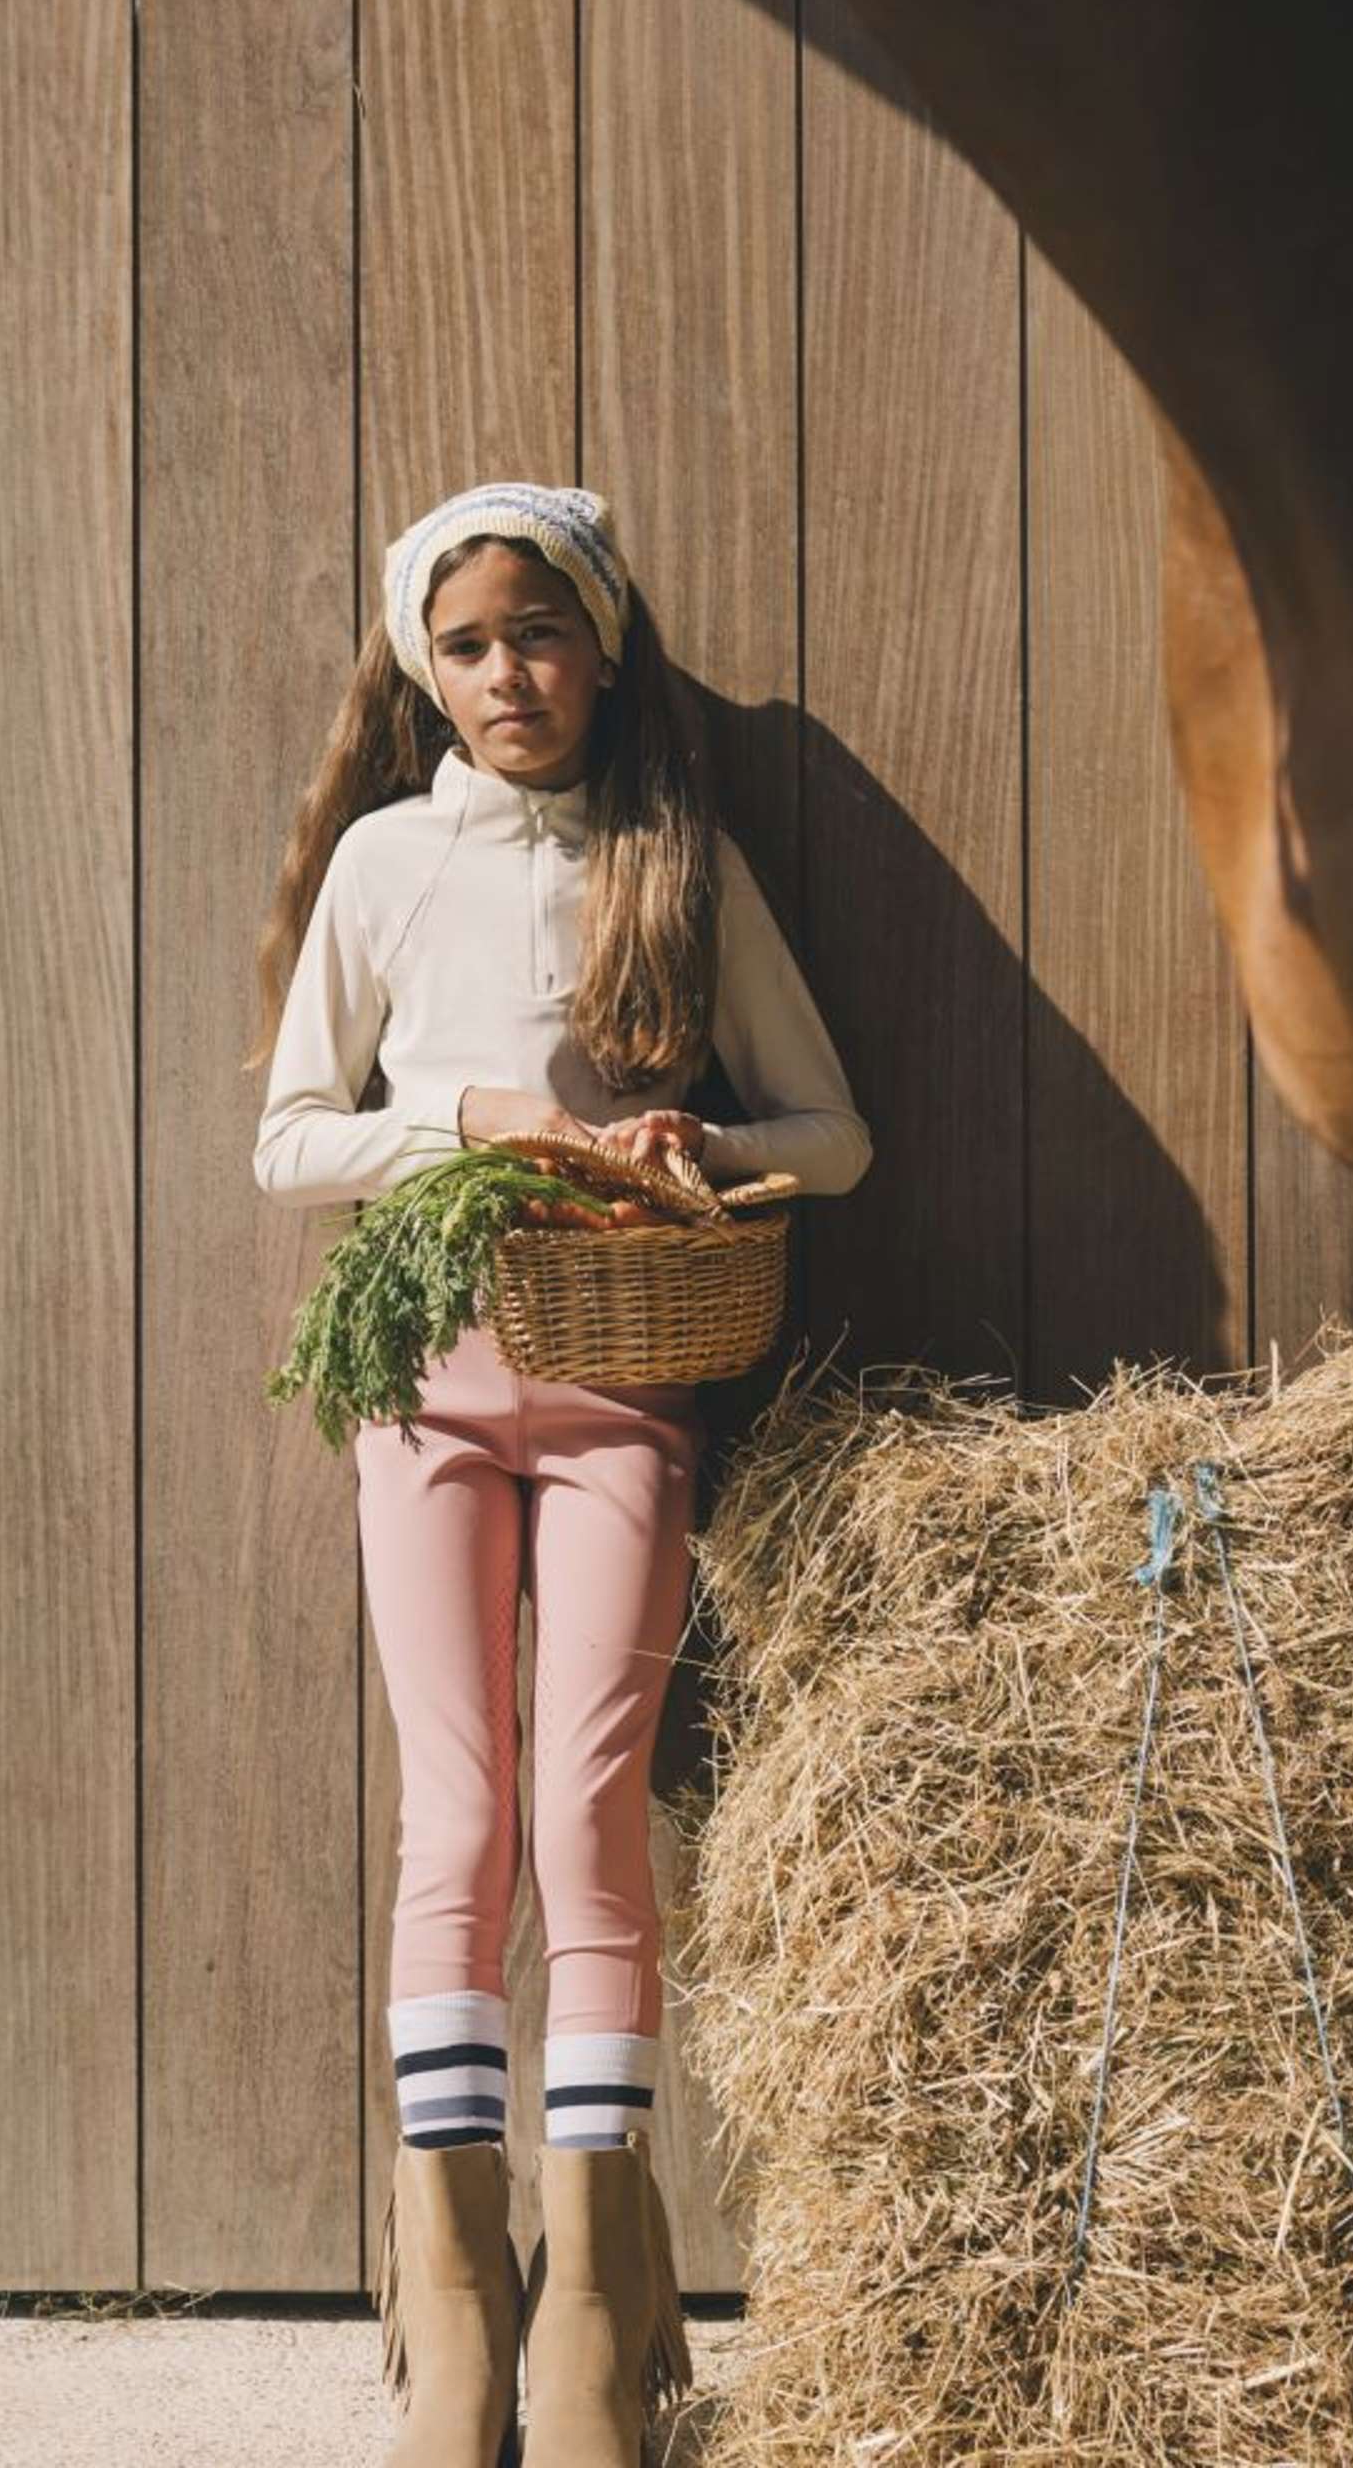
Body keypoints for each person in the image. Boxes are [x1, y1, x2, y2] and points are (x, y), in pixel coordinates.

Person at [246, 480, 873, 2468]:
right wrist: (480, 1121)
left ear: (602, 645)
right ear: (421, 672)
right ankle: (454, 2298)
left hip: (625, 1391)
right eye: (465, 645)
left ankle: (597, 2298)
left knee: (591, 1811)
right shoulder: (383, 863)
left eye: (538, 633)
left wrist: (703, 1147)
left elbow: (836, 1134)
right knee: (458, 1819)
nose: (505, 673)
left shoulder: (674, 862)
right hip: (420, 1392)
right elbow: (288, 1140)